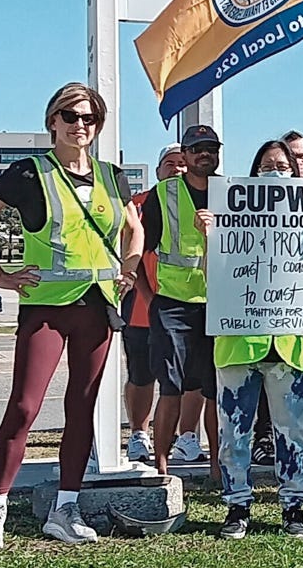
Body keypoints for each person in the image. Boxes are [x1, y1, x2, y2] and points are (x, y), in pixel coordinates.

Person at [0, 82, 144, 547]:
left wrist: (129, 267)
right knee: (24, 407)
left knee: (81, 408)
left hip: (97, 307)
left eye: (89, 118)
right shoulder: (29, 172)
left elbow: (134, 228)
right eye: (71, 116)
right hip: (45, 308)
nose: (80, 125)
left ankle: (66, 508)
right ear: (53, 121)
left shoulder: (112, 176)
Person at [202, 140, 303, 539]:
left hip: (290, 345)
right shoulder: (228, 215)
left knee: (292, 431)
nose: (274, 171)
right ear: (254, 171)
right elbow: (214, 277)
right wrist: (210, 237)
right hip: (237, 343)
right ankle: (237, 505)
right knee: (234, 432)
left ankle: (294, 506)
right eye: (266, 165)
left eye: (282, 164)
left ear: (295, 171)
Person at [137, 125, 220, 477]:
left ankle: (216, 465)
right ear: (185, 156)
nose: (204, 154)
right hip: (173, 304)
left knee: (214, 389)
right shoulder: (164, 193)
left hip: (219, 305)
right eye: (196, 148)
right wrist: (149, 297)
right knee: (170, 387)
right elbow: (138, 249)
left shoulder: (231, 192)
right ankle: (161, 464)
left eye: (211, 148)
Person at [122, 143, 185, 462]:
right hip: (142, 309)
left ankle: (187, 436)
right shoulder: (138, 204)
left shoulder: (204, 200)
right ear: (158, 169)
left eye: (182, 162)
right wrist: (148, 297)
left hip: (187, 307)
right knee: (141, 375)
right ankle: (138, 433)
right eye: (170, 163)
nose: (177, 168)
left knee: (187, 380)